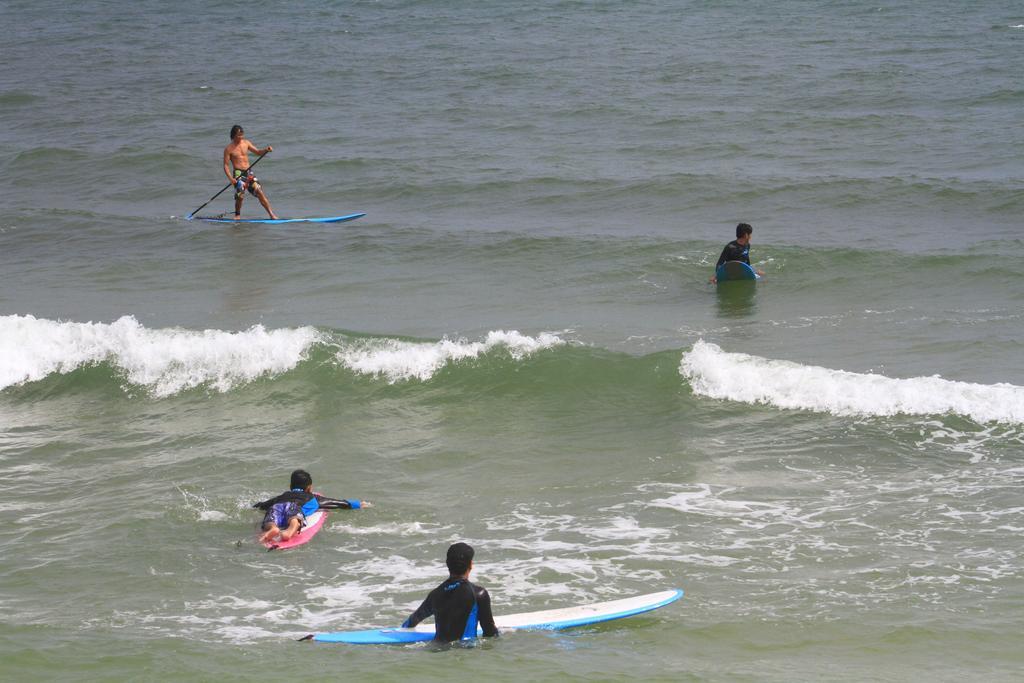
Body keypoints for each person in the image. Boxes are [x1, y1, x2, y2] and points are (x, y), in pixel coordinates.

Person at [402, 542, 499, 643]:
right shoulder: (479, 594)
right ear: (470, 565)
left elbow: (413, 620)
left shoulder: (435, 595)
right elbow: (489, 633)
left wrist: (402, 630)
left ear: (447, 564)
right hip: (465, 652)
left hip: (436, 650)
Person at [252, 469, 370, 544]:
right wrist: (358, 504)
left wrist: (257, 505)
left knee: (271, 518)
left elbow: (264, 505)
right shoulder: (313, 498)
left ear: (290, 486)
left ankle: (273, 528)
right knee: (294, 519)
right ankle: (290, 530)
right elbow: (337, 503)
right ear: (309, 488)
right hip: (294, 507)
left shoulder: (282, 496)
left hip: (277, 506)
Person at [223, 124, 278, 220]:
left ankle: (271, 214)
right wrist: (231, 179)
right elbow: (226, 165)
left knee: (259, 191)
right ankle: (237, 215)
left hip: (249, 173)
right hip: (238, 174)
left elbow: (257, 152)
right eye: (238, 135)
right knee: (240, 196)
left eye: (242, 135)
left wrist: (266, 150)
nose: (241, 137)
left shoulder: (246, 143)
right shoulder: (229, 149)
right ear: (233, 135)